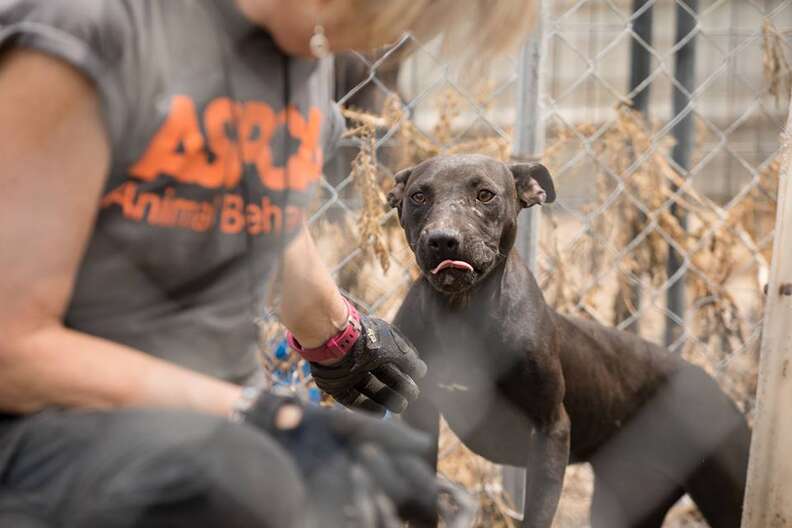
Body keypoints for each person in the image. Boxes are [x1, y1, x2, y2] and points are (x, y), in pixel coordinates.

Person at [0, 0, 534, 526]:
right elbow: (12, 350)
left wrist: (340, 336)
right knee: (248, 479)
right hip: (48, 428)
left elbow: (254, 209)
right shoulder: (90, 35)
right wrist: (260, 417)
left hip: (207, 426)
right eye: (383, 19)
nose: (371, 45)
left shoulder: (305, 45)